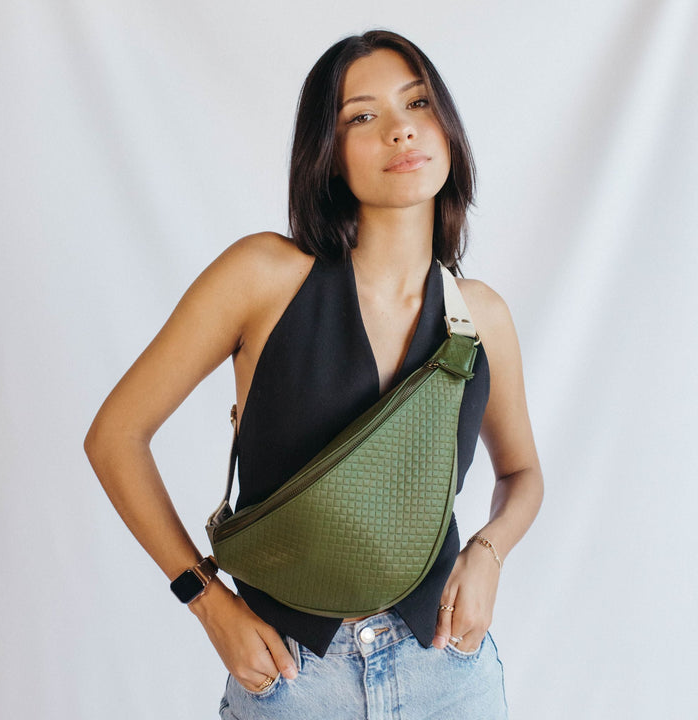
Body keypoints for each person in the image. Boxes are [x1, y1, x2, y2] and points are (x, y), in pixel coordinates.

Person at [85, 29, 543, 719]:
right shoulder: (263, 277)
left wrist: (488, 552)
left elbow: (523, 474)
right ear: (328, 156)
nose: (399, 130)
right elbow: (115, 436)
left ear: (446, 127)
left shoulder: (481, 316)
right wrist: (206, 601)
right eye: (362, 116)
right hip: (294, 677)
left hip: (447, 668)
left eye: (417, 103)